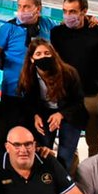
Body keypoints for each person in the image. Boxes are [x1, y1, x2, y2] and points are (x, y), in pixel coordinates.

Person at [50, 0, 98, 156]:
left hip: (92, 96)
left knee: (95, 142)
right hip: (67, 98)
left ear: (84, 11)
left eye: (73, 11)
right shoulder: (57, 33)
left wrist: (97, 22)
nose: (68, 16)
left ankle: (95, 177)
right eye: (65, 11)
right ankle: (71, 178)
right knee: (67, 145)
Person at [17, 38, 87, 170]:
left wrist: (61, 114)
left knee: (65, 155)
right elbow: (27, 102)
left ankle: (64, 180)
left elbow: (78, 102)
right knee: (43, 151)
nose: (43, 57)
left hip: (69, 113)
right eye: (38, 54)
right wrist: (35, 116)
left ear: (53, 55)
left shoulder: (69, 73)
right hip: (44, 113)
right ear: (32, 59)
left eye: (47, 53)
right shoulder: (27, 77)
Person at [0, 0, 56, 114]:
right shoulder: (9, 28)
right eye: (19, 6)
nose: (22, 10)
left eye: (26, 6)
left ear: (38, 9)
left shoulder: (47, 24)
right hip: (13, 90)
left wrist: (89, 19)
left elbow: (66, 28)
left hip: (42, 92)